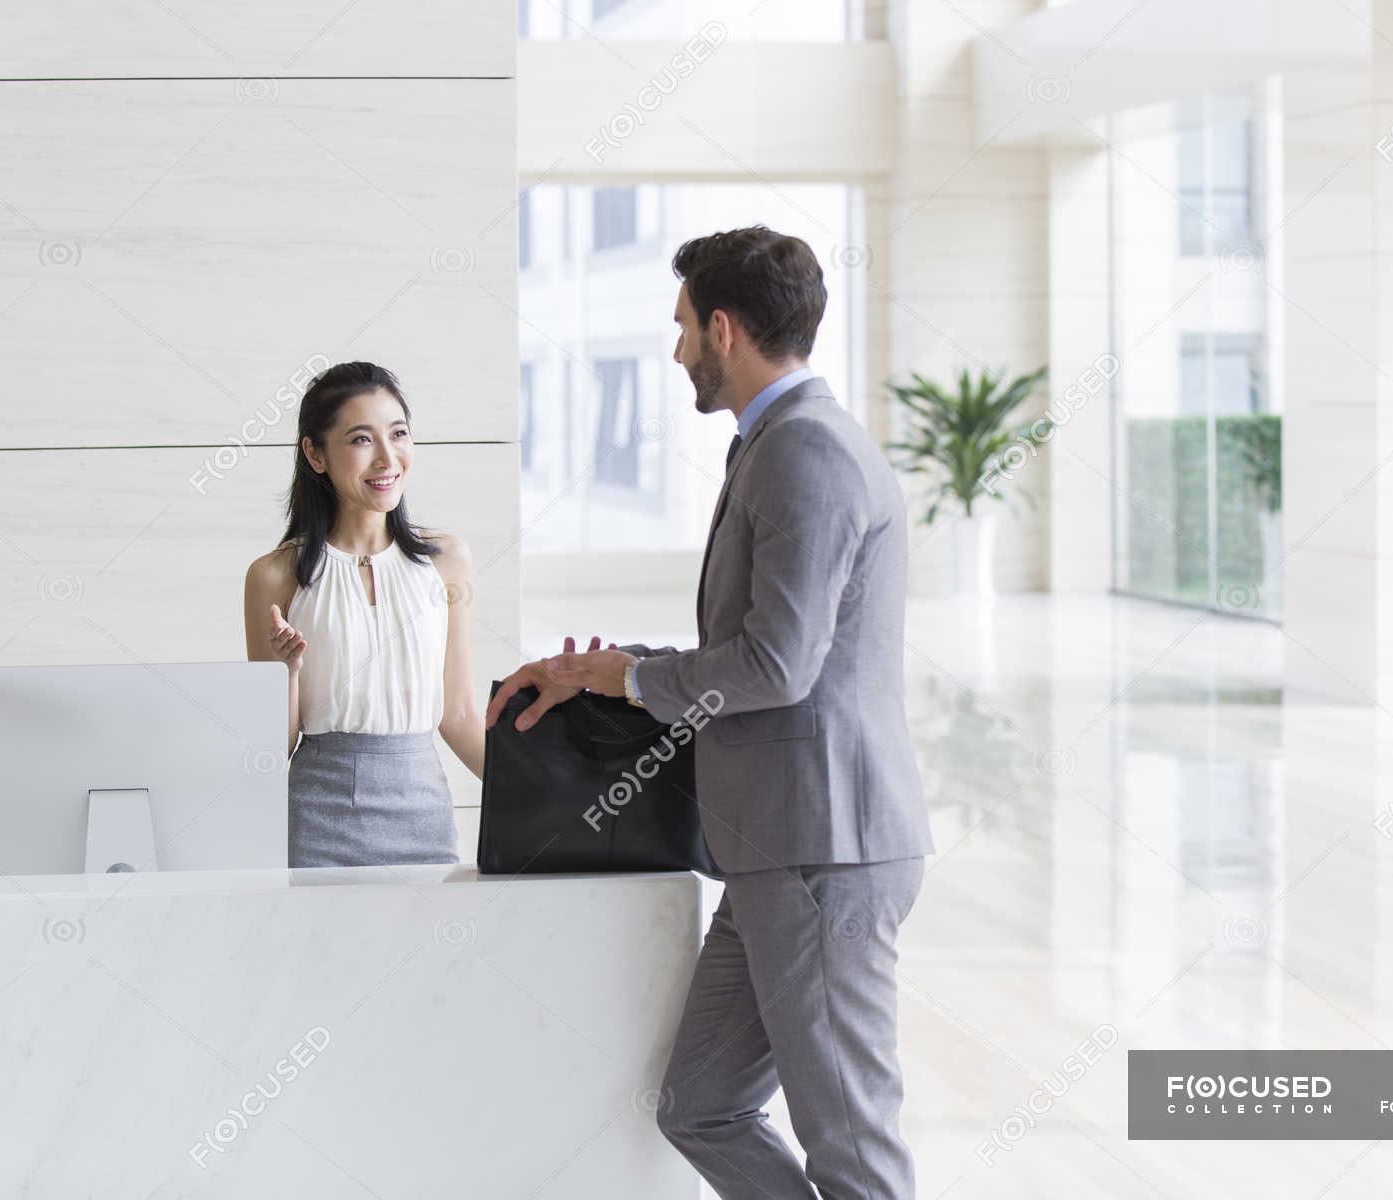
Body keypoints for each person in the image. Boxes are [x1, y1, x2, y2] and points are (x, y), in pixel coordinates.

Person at [486, 227, 935, 1198]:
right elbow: (758, 645)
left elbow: (777, 665)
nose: (678, 347)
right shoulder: (776, 445)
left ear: (724, 329)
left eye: (684, 325)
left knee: (853, 1148)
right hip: (774, 849)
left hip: (821, 850)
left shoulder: (804, 451)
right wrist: (608, 668)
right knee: (702, 1105)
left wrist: (631, 684)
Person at [242, 360, 483, 867]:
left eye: (398, 434)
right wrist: (286, 673)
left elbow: (459, 717)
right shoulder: (274, 576)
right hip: (317, 815)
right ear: (315, 453)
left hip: (423, 811)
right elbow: (270, 750)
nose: (387, 458)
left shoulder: (447, 561)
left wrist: (552, 800)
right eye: (361, 440)